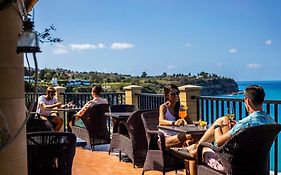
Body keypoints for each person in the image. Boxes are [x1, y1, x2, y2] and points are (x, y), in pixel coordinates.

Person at [186, 85, 276, 174]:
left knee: (202, 149)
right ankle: (195, 147)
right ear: (262, 100)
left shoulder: (245, 123)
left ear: (247, 101)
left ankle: (196, 147)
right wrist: (237, 129)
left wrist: (217, 126)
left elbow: (219, 142)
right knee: (224, 120)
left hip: (233, 168)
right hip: (258, 167)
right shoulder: (271, 122)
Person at [159, 84, 194, 148]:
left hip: (177, 136)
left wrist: (195, 123)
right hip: (166, 139)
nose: (176, 96)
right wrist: (174, 123)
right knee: (191, 137)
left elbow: (190, 122)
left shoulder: (180, 108)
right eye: (172, 94)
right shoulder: (163, 107)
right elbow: (161, 121)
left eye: (177, 93)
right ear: (167, 96)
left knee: (191, 143)